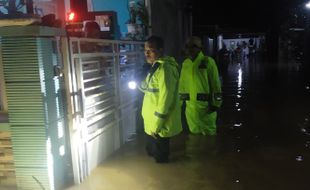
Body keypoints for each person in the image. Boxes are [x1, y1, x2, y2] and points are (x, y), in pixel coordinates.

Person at [139, 35, 182, 163]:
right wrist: (139, 80)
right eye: (145, 50)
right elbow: (147, 90)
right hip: (151, 123)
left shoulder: (165, 69)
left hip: (158, 126)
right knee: (151, 155)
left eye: (151, 50)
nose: (146, 53)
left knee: (160, 162)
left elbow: (165, 100)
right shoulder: (155, 67)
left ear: (161, 50)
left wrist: (157, 126)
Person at [179, 36, 222, 136]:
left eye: (193, 46)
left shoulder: (208, 62)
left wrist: (216, 104)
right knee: (194, 140)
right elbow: (182, 86)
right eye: (187, 46)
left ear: (200, 48)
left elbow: (216, 85)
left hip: (206, 109)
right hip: (190, 111)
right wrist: (180, 105)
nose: (190, 49)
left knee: (209, 140)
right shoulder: (186, 64)